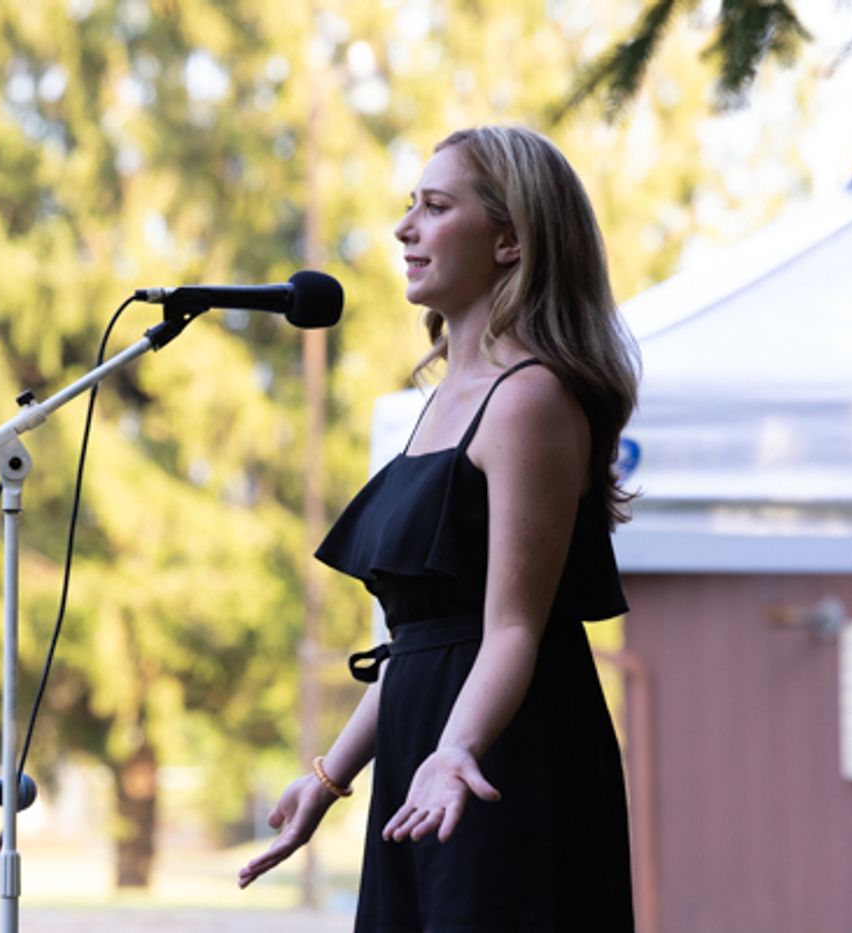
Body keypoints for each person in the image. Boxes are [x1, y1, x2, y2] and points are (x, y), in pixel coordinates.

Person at [237, 125, 639, 931]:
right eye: (409, 205)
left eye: (435, 206)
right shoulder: (436, 403)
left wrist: (457, 750)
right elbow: (423, 640)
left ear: (509, 241)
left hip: (500, 759)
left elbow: (511, 629)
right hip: (429, 762)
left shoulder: (528, 398)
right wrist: (329, 776)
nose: (403, 228)